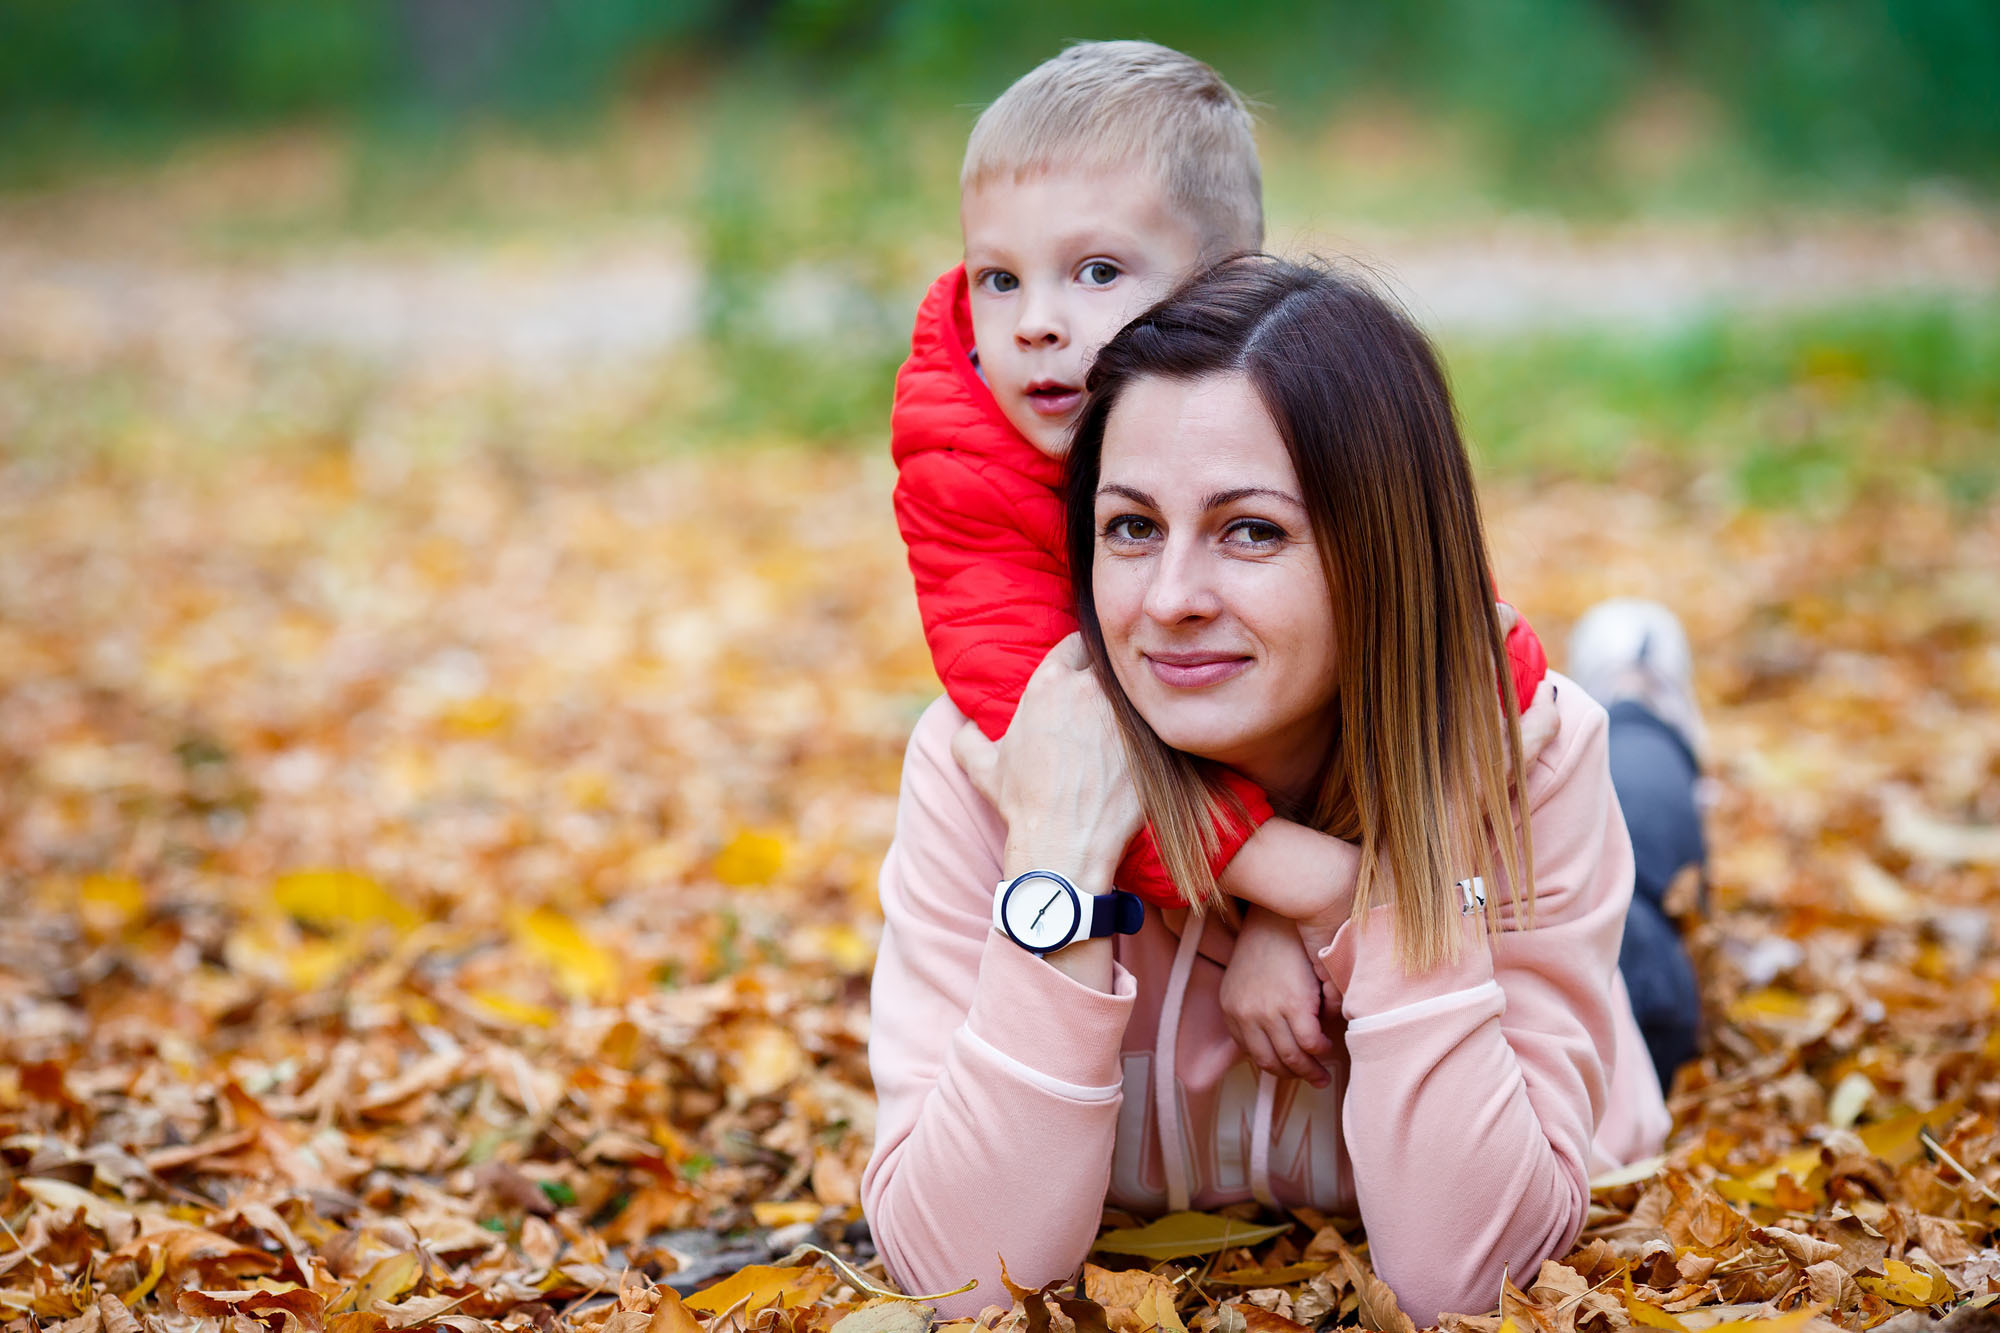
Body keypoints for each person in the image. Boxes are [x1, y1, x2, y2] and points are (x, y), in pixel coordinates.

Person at [862, 258, 1694, 1324]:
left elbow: (1466, 1284)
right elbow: (961, 1283)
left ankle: (1644, 699)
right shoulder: (993, 766)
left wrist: (1404, 880)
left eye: (1250, 530)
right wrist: (1057, 866)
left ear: (1380, 551)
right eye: (1130, 527)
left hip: (1612, 1001)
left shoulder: (1527, 753)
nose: (1169, 600)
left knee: (1652, 874)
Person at [888, 39, 1549, 1091]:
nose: (1036, 323)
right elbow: (1057, 731)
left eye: (1096, 272)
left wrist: (1288, 920)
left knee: (1651, 969)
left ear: (1224, 288)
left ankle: (1647, 728)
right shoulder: (962, 453)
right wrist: (1301, 879)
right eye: (998, 279)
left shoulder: (1302, 413)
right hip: (1223, 879)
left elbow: (1456, 663)